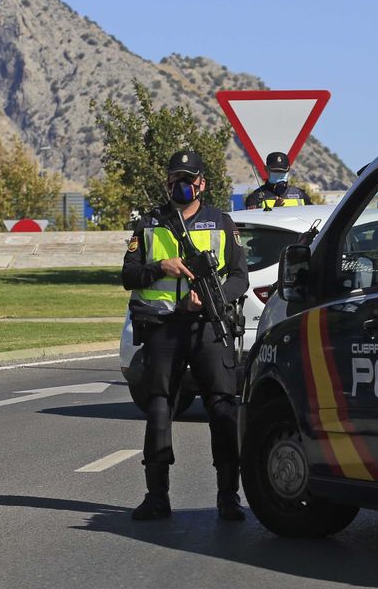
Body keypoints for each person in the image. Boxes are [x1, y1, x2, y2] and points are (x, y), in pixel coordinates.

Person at [123, 149, 251, 521]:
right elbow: (127, 276)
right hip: (163, 327)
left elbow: (240, 276)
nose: (181, 187)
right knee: (160, 405)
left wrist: (213, 298)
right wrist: (159, 266)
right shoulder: (149, 224)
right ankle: (156, 496)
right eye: (175, 180)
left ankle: (229, 496)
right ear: (167, 183)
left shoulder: (221, 223)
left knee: (222, 405)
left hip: (208, 326)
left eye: (188, 180)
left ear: (202, 184)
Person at [243, 151, 312, 210]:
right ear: (266, 169)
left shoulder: (300, 195)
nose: (279, 174)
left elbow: (311, 217)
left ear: (288, 170)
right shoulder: (255, 198)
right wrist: (274, 210)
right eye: (275, 171)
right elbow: (255, 223)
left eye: (282, 171)